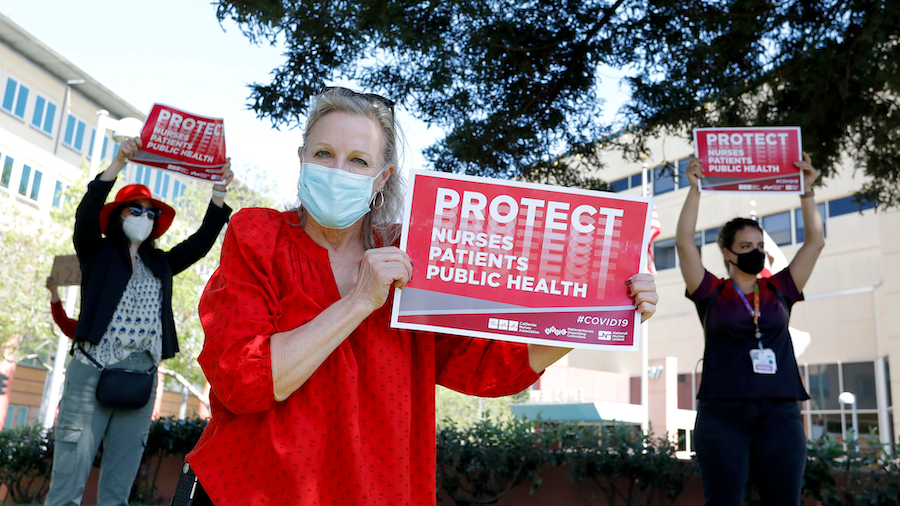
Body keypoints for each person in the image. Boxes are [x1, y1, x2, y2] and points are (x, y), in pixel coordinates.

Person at [184, 86, 660, 506]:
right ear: (302, 158)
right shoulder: (258, 236)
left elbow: (489, 366)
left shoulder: (415, 256)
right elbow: (246, 382)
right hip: (252, 491)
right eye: (323, 153)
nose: (337, 170)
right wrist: (359, 302)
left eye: (358, 161)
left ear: (382, 176)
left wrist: (602, 314)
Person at [44, 137, 234, 506]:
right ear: (118, 215)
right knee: (67, 486)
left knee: (118, 490)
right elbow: (86, 213)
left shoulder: (160, 264)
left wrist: (219, 191)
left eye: (152, 213)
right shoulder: (96, 253)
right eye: (136, 210)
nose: (145, 218)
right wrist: (118, 162)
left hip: (141, 379)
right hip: (92, 371)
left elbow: (200, 242)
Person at [676, 154, 824, 505]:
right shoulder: (709, 290)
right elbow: (684, 243)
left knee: (785, 500)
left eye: (759, 246)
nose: (755, 252)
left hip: (780, 412)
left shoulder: (779, 289)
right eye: (746, 247)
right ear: (728, 253)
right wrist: (694, 190)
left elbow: (815, 242)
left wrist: (807, 191)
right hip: (722, 414)